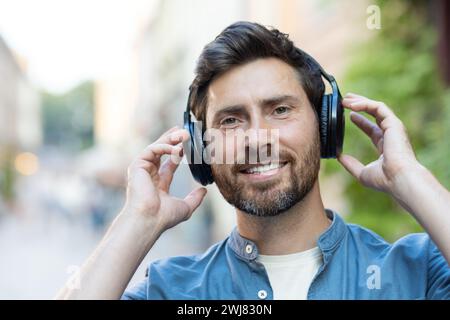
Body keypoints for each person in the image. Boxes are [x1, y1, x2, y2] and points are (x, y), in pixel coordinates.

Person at [56, 21, 450, 300]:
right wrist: (137, 219)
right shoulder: (171, 289)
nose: (257, 139)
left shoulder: (415, 273)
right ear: (201, 149)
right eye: (231, 120)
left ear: (325, 126)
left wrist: (411, 178)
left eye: (280, 110)